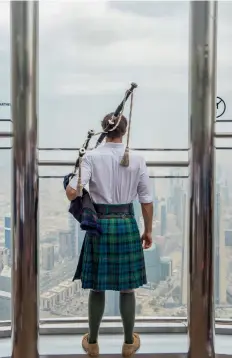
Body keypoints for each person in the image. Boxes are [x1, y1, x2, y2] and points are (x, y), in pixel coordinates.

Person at [66, 113, 153, 357]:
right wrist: (148, 230)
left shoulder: (91, 157)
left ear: (104, 131)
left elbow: (72, 193)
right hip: (125, 224)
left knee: (97, 287)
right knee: (127, 289)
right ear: (124, 131)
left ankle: (92, 343)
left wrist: (76, 173)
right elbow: (146, 201)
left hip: (99, 226)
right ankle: (128, 344)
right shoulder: (137, 158)